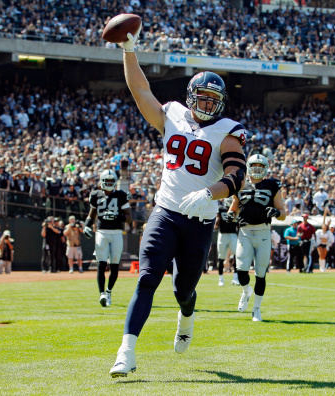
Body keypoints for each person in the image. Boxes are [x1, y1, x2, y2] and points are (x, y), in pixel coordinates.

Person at [109, 27, 247, 378]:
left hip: (199, 219)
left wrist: (208, 193)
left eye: (211, 100)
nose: (205, 105)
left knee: (183, 289)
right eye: (200, 98)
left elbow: (236, 176)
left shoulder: (228, 130)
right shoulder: (171, 115)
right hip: (165, 212)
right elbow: (140, 90)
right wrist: (129, 50)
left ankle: (187, 315)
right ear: (190, 97)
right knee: (147, 279)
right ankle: (127, 350)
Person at [228, 154, 285, 322]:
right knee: (241, 269)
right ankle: (246, 292)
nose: (257, 169)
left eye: (261, 166)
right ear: (249, 167)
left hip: (263, 233)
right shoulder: (241, 184)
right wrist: (231, 215)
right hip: (245, 232)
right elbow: (234, 208)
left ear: (265, 168)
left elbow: (282, 213)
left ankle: (256, 309)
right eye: (255, 166)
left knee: (261, 273)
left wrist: (276, 212)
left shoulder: (273, 185)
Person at [83, 170, 132, 307]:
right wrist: (86, 226)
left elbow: (129, 218)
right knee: (101, 264)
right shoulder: (96, 195)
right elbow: (91, 215)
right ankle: (102, 294)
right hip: (101, 232)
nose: (109, 184)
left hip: (116, 233)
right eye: (107, 181)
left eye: (112, 181)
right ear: (102, 181)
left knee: (115, 266)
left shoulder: (121, 195)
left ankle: (109, 291)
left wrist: (117, 216)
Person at [214, 197, 239, 286]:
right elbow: (217, 219)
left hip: (233, 235)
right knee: (221, 258)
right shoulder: (221, 209)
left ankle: (235, 278)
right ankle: (221, 279)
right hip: (222, 234)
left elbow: (238, 224)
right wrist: (215, 225)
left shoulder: (236, 210)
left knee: (236, 257)